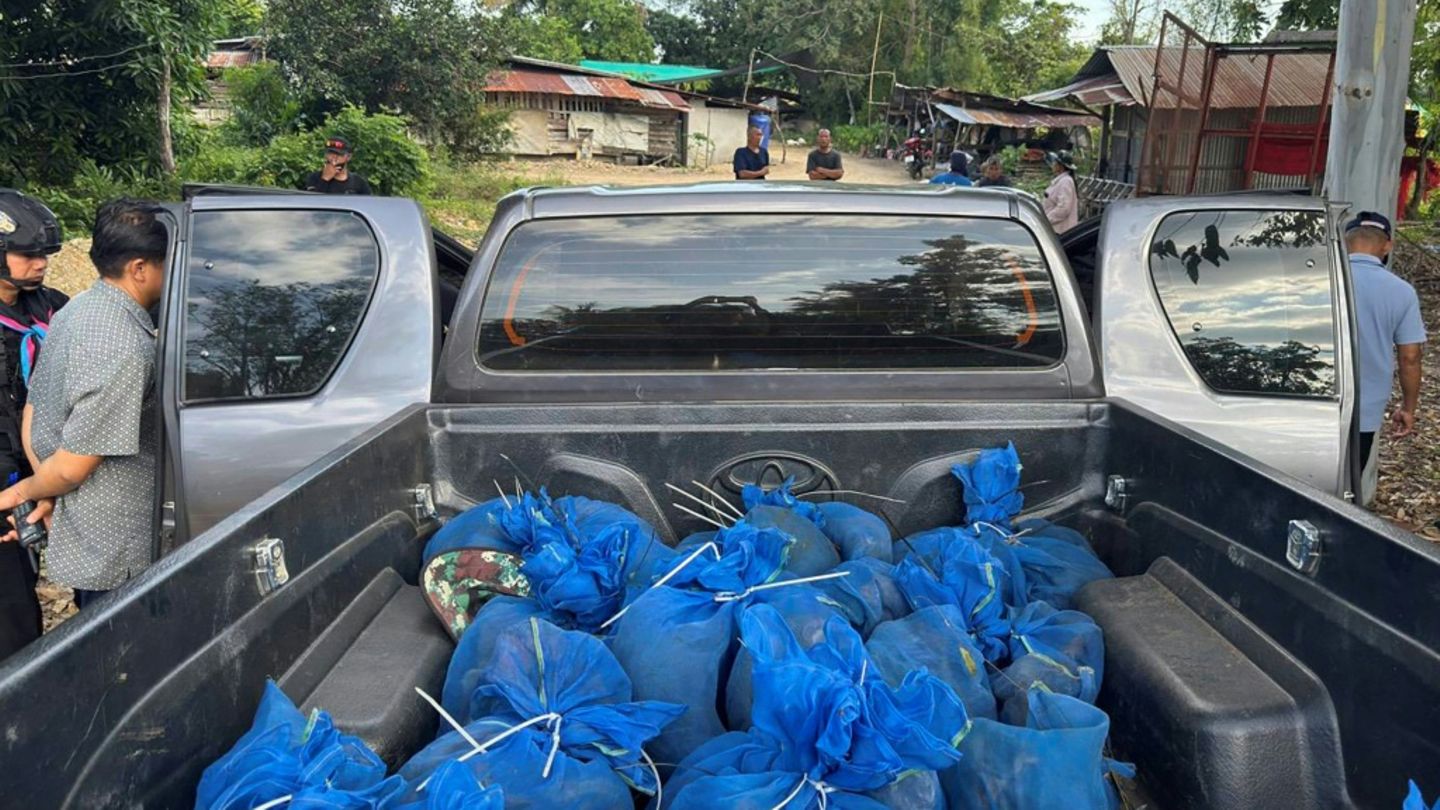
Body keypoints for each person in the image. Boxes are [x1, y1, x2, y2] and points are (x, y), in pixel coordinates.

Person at [0, 199, 168, 610]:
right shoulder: (122, 344)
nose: (39, 264)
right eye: (168, 263)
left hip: (84, 526)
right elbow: (75, 465)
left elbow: (33, 411)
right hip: (113, 549)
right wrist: (27, 490)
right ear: (140, 269)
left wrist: (47, 486)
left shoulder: (74, 309)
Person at [0, 190, 67, 659]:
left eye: (44, 254)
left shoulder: (52, 307)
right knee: (13, 617)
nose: (40, 263)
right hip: (6, 484)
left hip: (45, 472)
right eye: (28, 254)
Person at [1346, 211, 1425, 501]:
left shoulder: (1320, 282)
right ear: (1387, 246)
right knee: (1346, 486)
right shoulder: (1402, 293)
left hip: (1311, 399)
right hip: (1364, 409)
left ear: (1345, 242)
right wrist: (1408, 407)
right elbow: (1410, 357)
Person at [303, 136, 372, 195]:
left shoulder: (358, 183)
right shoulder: (314, 178)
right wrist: (324, 179)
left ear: (348, 157)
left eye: (339, 154)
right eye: (330, 153)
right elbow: (310, 203)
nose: (334, 158)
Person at [1043, 150, 1079, 233]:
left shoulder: (1066, 182)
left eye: (1055, 163)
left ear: (1061, 166)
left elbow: (1063, 208)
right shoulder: (1061, 181)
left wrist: (1046, 220)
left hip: (1061, 230)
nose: (1053, 165)